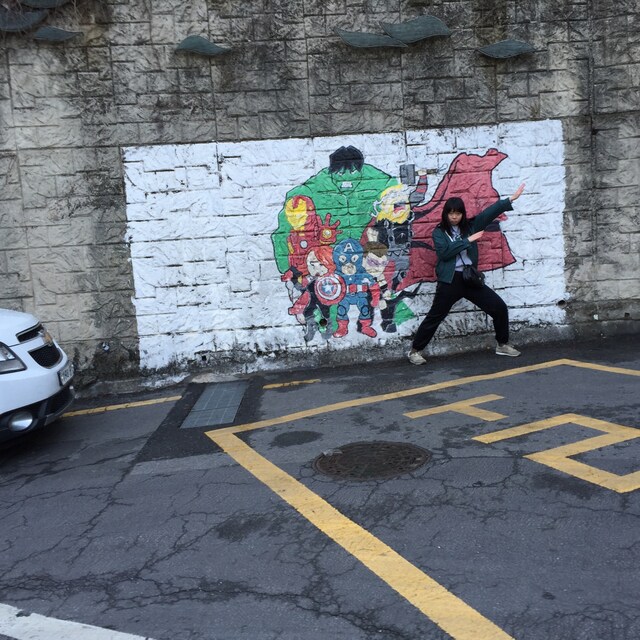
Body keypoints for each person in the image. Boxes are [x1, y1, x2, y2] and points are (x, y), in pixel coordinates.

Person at [408, 183, 525, 365]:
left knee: (499, 307)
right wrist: (467, 241)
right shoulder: (439, 232)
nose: (454, 217)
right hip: (450, 281)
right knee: (435, 316)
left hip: (470, 278)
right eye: (451, 213)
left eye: (458, 213)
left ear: (463, 214)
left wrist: (510, 199)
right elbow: (445, 254)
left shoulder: (471, 226)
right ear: (445, 214)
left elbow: (489, 213)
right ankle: (415, 351)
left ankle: (502, 344)